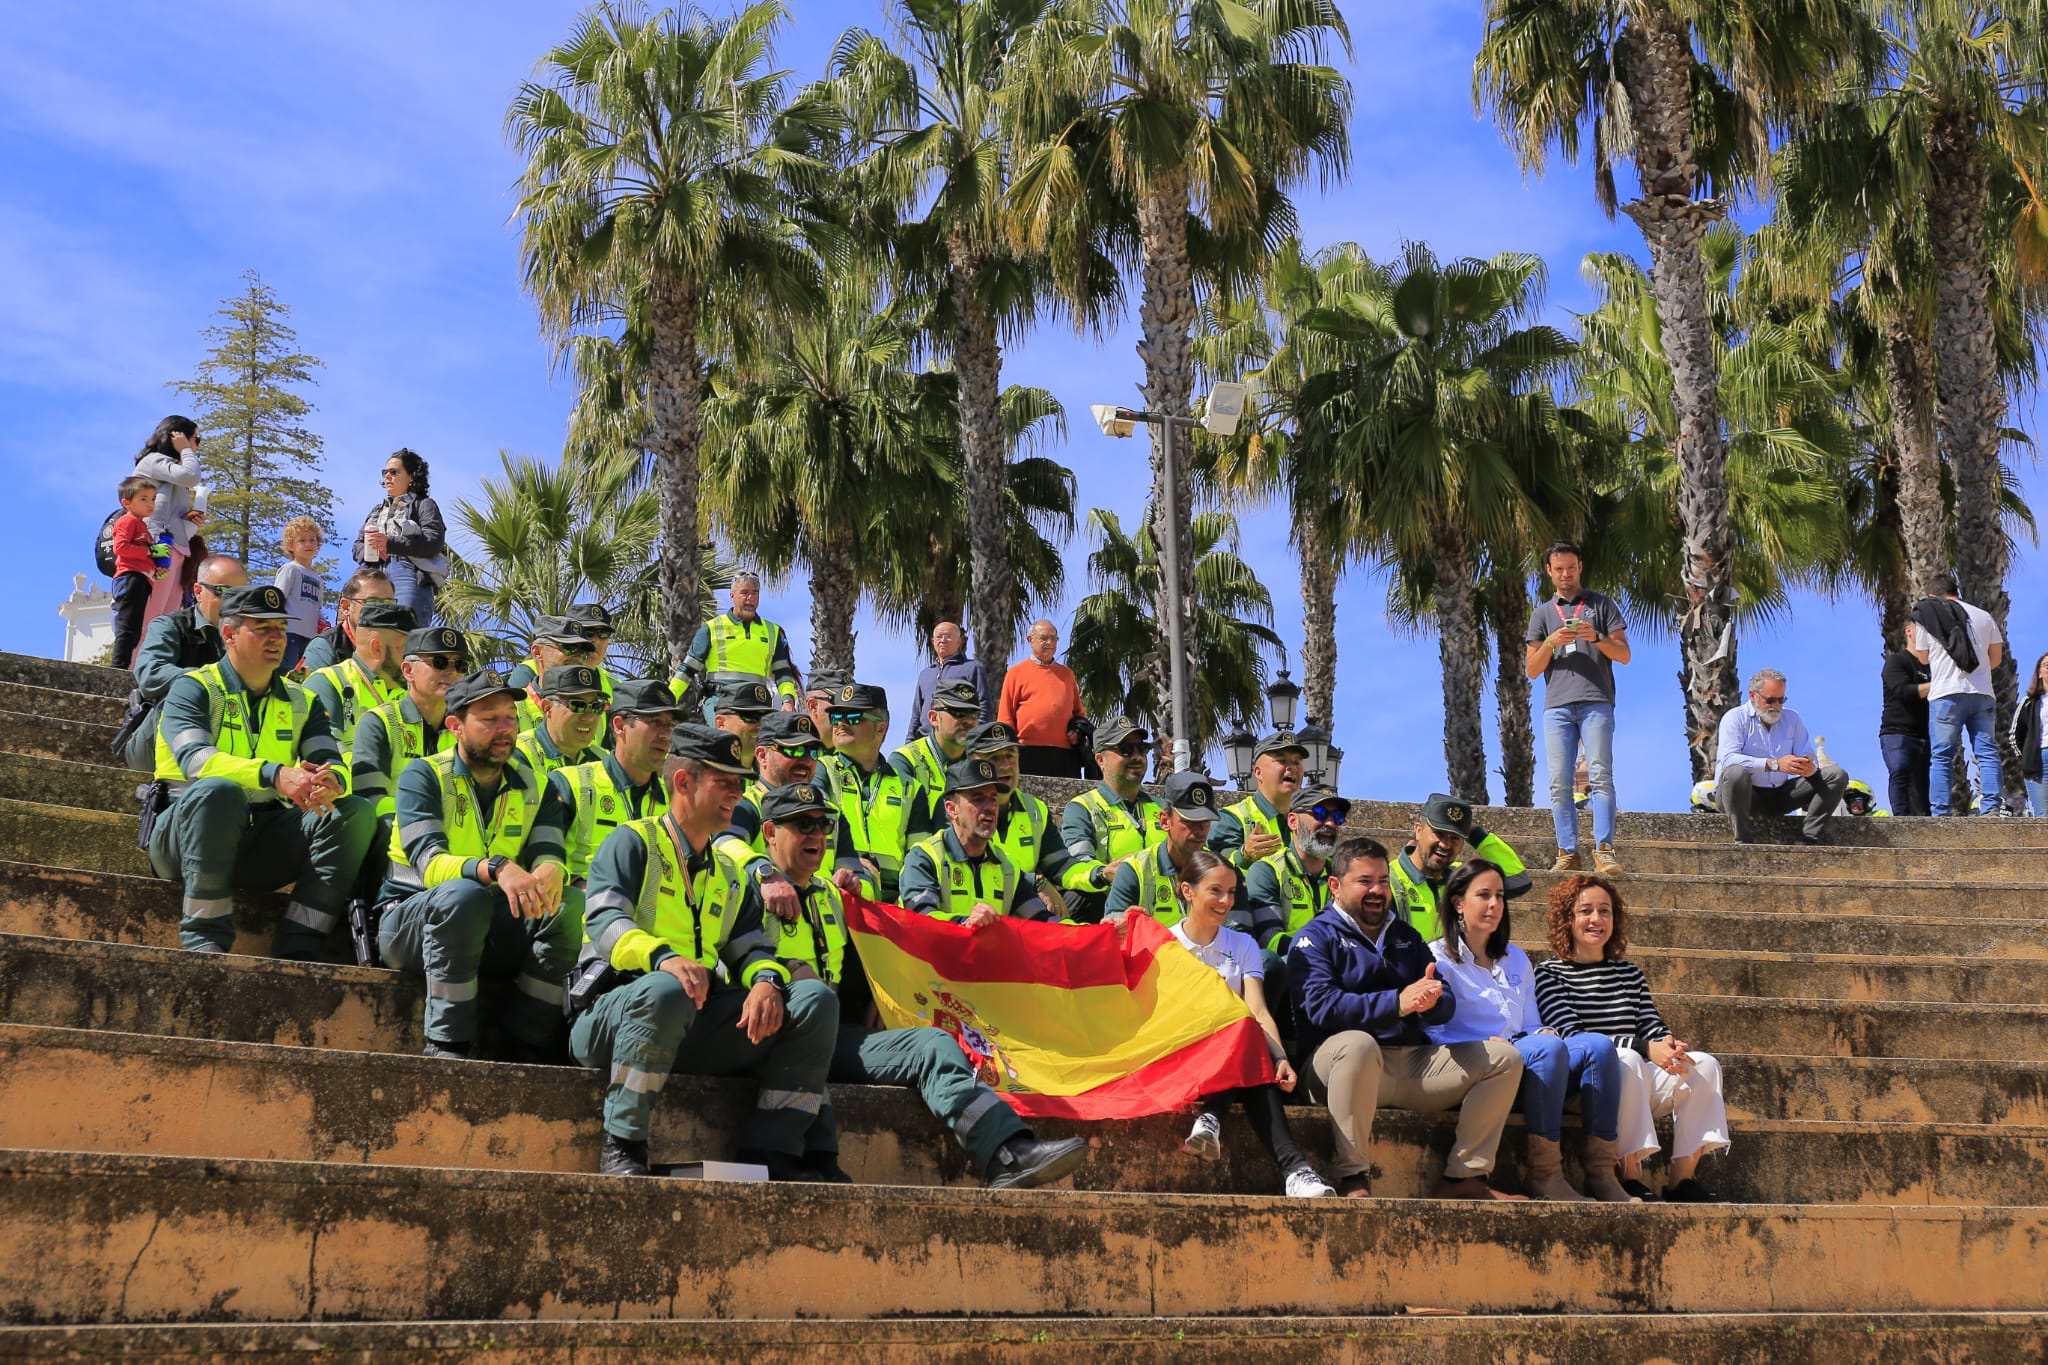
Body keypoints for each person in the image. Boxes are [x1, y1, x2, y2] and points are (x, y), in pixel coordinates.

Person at [754, 781, 1091, 1190]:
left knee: (933, 1043)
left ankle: (1007, 1152)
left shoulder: (834, 896)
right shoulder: (748, 887)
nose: (817, 836)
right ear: (770, 834)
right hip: (776, 1037)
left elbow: (880, 958)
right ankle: (807, 1160)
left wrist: (1100, 934)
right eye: (802, 824)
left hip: (837, 1037)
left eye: (824, 824)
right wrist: (783, 970)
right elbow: (726, 958)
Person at [568, 724, 839, 1180]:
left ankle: (774, 1154)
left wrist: (767, 982)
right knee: (665, 989)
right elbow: (605, 924)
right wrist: (662, 958)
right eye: (725, 782)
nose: (738, 792)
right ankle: (623, 1144)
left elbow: (752, 948)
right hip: (612, 1015)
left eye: (739, 782)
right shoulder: (633, 842)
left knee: (814, 1002)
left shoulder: (731, 871)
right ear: (683, 782)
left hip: (692, 1021)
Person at [146, 584, 375, 958]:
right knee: (218, 791)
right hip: (185, 835)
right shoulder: (194, 688)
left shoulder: (304, 700)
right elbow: (195, 761)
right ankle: (204, 937)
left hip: (260, 840)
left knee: (354, 813)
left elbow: (330, 760)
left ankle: (300, 942)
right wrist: (275, 774)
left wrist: (330, 781)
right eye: (263, 628)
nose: (276, 639)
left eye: (281, 630)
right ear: (229, 634)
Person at [1290, 836, 1525, 1200]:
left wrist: (1433, 1000)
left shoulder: (1404, 936)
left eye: (1383, 881)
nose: (1377, 891)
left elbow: (1443, 1000)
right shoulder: (1314, 938)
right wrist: (1397, 1003)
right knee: (1358, 1044)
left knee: (1504, 1060)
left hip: (1408, 1066)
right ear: (1335, 886)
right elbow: (1322, 1008)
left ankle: (1464, 1178)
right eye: (1364, 881)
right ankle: (1353, 1178)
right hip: (1337, 1068)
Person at [377, 671, 579, 1063]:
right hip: (411, 922)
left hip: (488, 922)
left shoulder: (537, 786)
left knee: (568, 906)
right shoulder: (424, 775)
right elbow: (429, 865)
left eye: (510, 717)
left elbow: (548, 852)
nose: (505, 729)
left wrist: (553, 869)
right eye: (489, 719)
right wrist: (497, 867)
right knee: (463, 894)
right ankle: (447, 1044)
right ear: (455, 726)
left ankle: (528, 1042)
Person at [1425, 860, 1631, 1203]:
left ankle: (1602, 1173)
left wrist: (1546, 1031)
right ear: (1459, 902)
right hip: (1477, 1066)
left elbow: (1530, 1024)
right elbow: (1433, 1033)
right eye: (1484, 895)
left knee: (1596, 1045)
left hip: (1525, 1058)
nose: (1494, 905)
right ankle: (1546, 1175)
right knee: (1546, 1051)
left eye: (1500, 896)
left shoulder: (1515, 958)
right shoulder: (1437, 957)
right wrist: (1480, 1045)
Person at [1535, 874, 1730, 1202]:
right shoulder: (1550, 974)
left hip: (1637, 1077)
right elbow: (1573, 1037)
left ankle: (1681, 1180)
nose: (1596, 919)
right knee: (1624, 1061)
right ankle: (1627, 1176)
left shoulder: (1629, 973)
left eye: (1605, 911)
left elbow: (1650, 1024)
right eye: (1585, 911)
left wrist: (1667, 1044)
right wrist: (1643, 1048)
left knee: (1704, 1065)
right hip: (1589, 1085)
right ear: (1567, 919)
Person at [1171, 851, 1335, 1199]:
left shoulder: (1242, 943)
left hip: (1234, 1057)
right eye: (1215, 890)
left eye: (1231, 892)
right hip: (1182, 1060)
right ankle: (1294, 1169)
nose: (1226, 901)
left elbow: (1258, 1011)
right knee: (1239, 1031)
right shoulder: (1166, 944)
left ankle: (1217, 1122)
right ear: (1187, 891)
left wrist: (1279, 1058)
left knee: (1245, 1032)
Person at [348, 625, 471, 963]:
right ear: (407, 670)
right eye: (440, 662)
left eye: (461, 666)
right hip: (396, 841)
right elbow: (370, 797)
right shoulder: (379, 722)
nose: (452, 673)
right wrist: (419, 824)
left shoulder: (464, 729)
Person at [1525, 540, 1630, 874]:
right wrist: (1552, 643)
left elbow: (1624, 655)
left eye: (1571, 567)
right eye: (1559, 569)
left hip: (1596, 700)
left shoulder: (1601, 604)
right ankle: (1567, 851)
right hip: (1556, 705)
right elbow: (1531, 669)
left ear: (1580, 566)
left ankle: (1604, 850)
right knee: (1559, 782)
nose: (1566, 574)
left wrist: (1596, 636)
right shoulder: (1542, 613)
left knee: (1600, 774)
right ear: (1549, 571)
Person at [549, 679, 681, 919]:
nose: (665, 735)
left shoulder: (676, 802)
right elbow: (544, 863)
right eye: (654, 723)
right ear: (619, 726)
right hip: (583, 922)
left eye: (670, 725)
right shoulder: (570, 783)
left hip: (655, 932)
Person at [966, 721, 1110, 916]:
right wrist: (1035, 881)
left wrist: (1100, 874)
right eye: (994, 758)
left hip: (1024, 911)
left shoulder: (1035, 809)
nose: (1005, 765)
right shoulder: (957, 810)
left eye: (1010, 756)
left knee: (1089, 896)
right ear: (971, 764)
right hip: (972, 914)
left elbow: (1060, 865)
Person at [121, 555, 247, 771]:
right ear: (198, 592)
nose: (232, 602)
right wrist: (209, 681)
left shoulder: (248, 637)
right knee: (182, 694)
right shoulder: (169, 626)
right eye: (223, 592)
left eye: (241, 595)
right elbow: (150, 675)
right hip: (153, 748)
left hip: (221, 745)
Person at [898, 757, 1051, 923]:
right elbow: (921, 917)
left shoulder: (1008, 867)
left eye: (993, 798)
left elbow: (1043, 920)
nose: (990, 807)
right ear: (951, 809)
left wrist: (1080, 933)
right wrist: (966, 924)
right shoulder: (924, 857)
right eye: (978, 799)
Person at [725, 710, 866, 890]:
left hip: (822, 913)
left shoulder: (831, 813)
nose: (806, 761)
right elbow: (724, 846)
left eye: (813, 752)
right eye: (794, 750)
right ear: (762, 755)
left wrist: (854, 884)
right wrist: (765, 872)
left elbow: (861, 880)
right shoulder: (745, 806)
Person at [1242, 786, 1348, 1021]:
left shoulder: (1343, 875)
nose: (1330, 824)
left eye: (1337, 817)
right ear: (1292, 821)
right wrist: (1325, 952)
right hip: (1290, 978)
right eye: (1320, 814)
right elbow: (1269, 940)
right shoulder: (1267, 871)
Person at [1713, 668, 1850, 845]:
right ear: (1752, 695)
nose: (1776, 706)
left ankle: (1808, 838)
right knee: (1735, 773)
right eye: (1770, 700)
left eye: (1781, 700)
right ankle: (1743, 840)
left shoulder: (1792, 718)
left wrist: (1807, 766)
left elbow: (1807, 753)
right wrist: (1773, 764)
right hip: (1742, 796)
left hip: (1778, 795)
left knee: (1837, 775)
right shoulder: (1735, 718)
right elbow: (1728, 759)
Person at [1911, 572, 2006, 816]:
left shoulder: (1928, 615)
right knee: (1986, 752)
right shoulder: (1984, 616)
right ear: (1955, 590)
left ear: (1933, 594)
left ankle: (1941, 812)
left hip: (1945, 693)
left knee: (1942, 756)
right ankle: (1992, 808)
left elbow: (1922, 657)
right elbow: (1995, 659)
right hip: (1982, 692)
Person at [1058, 716, 1163, 922]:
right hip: (1110, 911)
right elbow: (1076, 864)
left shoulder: (1164, 808)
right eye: (1125, 749)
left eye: (1141, 749)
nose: (1136, 756)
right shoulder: (1082, 807)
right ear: (1100, 760)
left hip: (1163, 915)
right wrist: (1103, 873)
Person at [1391, 794, 1531, 942]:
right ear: (1418, 831)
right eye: (1439, 834)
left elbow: (1518, 880)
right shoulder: (1387, 879)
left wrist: (1476, 834)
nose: (1445, 845)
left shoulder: (1461, 877)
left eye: (1455, 838)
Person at [824, 682, 914, 898]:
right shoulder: (821, 771)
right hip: (843, 891)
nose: (841, 724)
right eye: (836, 717)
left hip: (897, 902)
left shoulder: (909, 786)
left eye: (854, 718)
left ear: (881, 728)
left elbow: (919, 854)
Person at [1104, 772, 1221, 927]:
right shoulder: (1134, 871)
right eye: (1190, 821)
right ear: (1165, 821)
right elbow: (1115, 935)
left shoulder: (1221, 871)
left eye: (1205, 821)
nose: (1200, 830)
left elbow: (1237, 936)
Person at [304, 599, 413, 764]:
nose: (412, 658)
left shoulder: (410, 693)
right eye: (406, 648)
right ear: (377, 648)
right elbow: (327, 760)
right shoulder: (326, 683)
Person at [676, 572, 802, 712]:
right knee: (729, 733)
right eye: (744, 593)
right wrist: (669, 698)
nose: (750, 598)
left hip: (757, 702)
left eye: (755, 593)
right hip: (721, 702)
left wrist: (788, 701)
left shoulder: (772, 631)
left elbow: (783, 672)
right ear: (732, 596)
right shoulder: (711, 628)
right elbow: (687, 669)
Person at [352, 448, 447, 627]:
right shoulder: (376, 511)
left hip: (408, 573)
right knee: (372, 634)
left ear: (411, 477)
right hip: (374, 573)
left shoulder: (424, 505)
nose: (387, 476)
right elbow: (356, 546)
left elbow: (433, 542)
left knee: (407, 634)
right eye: (385, 472)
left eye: (394, 472)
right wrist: (368, 551)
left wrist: (390, 543)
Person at [132, 415, 207, 628]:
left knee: (166, 621)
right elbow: (191, 476)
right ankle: (131, 663)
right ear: (177, 438)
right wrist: (185, 449)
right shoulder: (153, 461)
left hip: (175, 550)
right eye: (196, 439)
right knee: (149, 617)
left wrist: (187, 520)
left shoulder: (171, 473)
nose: (197, 446)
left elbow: (166, 513)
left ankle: (152, 661)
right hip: (156, 548)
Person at [891, 678, 982, 833]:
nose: (968, 721)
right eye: (958, 713)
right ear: (933, 718)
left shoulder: (980, 765)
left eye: (973, 714)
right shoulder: (905, 760)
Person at [998, 620, 1087, 778]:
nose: (1050, 643)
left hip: (1064, 754)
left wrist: (1077, 731)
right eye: (1044, 638)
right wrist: (1008, 752)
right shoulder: (1015, 673)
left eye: (1054, 639)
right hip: (1026, 751)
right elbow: (1006, 718)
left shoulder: (1067, 674)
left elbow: (1079, 713)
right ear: (1030, 640)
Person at [1208, 733, 1305, 871]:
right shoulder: (1231, 819)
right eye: (1282, 760)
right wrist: (1244, 855)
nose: (1292, 767)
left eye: (1297, 762)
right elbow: (1213, 870)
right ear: (1258, 773)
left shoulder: (1307, 822)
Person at [514, 664, 608, 780]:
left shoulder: (604, 760)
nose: (589, 717)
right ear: (547, 708)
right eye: (577, 705)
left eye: (597, 706)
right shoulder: (517, 755)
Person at [905, 622, 995, 742]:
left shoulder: (972, 668)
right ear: (933, 642)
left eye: (948, 636)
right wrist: (909, 741)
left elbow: (984, 705)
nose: (943, 640)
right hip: (925, 740)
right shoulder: (925, 674)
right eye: (938, 637)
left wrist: (975, 737)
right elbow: (916, 713)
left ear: (959, 641)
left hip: (958, 740)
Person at [109, 475, 163, 670]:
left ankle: (123, 665)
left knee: (135, 629)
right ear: (127, 502)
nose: (150, 504)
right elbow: (121, 548)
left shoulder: (143, 527)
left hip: (142, 579)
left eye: (153, 498)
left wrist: (157, 567)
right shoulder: (127, 521)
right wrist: (150, 551)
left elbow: (144, 555)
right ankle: (118, 667)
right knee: (127, 625)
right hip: (129, 577)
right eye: (144, 499)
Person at [511, 617, 600, 733]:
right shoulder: (513, 709)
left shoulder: (597, 708)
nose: (578, 657)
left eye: (583, 652)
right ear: (537, 652)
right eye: (569, 648)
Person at [298, 568, 394, 675]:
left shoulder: (398, 646)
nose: (382, 610)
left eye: (388, 603)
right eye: (372, 602)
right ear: (346, 607)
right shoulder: (324, 647)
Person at [1880, 645, 1933, 817]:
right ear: (1909, 632)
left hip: (1923, 735)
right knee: (1899, 770)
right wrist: (1937, 684)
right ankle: (1901, 820)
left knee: (1923, 784)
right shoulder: (1896, 661)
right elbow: (1903, 691)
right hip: (1896, 733)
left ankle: (1927, 823)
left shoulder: (1932, 665)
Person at [275, 515, 325, 674]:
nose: (308, 544)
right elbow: (277, 600)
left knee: (304, 678)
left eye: (312, 540)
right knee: (286, 674)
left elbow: (318, 609)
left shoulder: (318, 579)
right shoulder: (290, 569)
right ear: (291, 545)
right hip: (289, 634)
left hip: (310, 639)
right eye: (302, 540)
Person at [710, 679, 776, 773]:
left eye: (767, 718)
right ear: (721, 723)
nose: (760, 725)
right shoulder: (702, 773)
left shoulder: (776, 775)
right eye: (751, 716)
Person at [2014, 652, 2048, 816]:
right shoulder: (2028, 703)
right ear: (2039, 672)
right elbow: (2015, 736)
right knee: (2043, 816)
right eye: (2047, 665)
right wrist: (2027, 756)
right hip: (2038, 761)